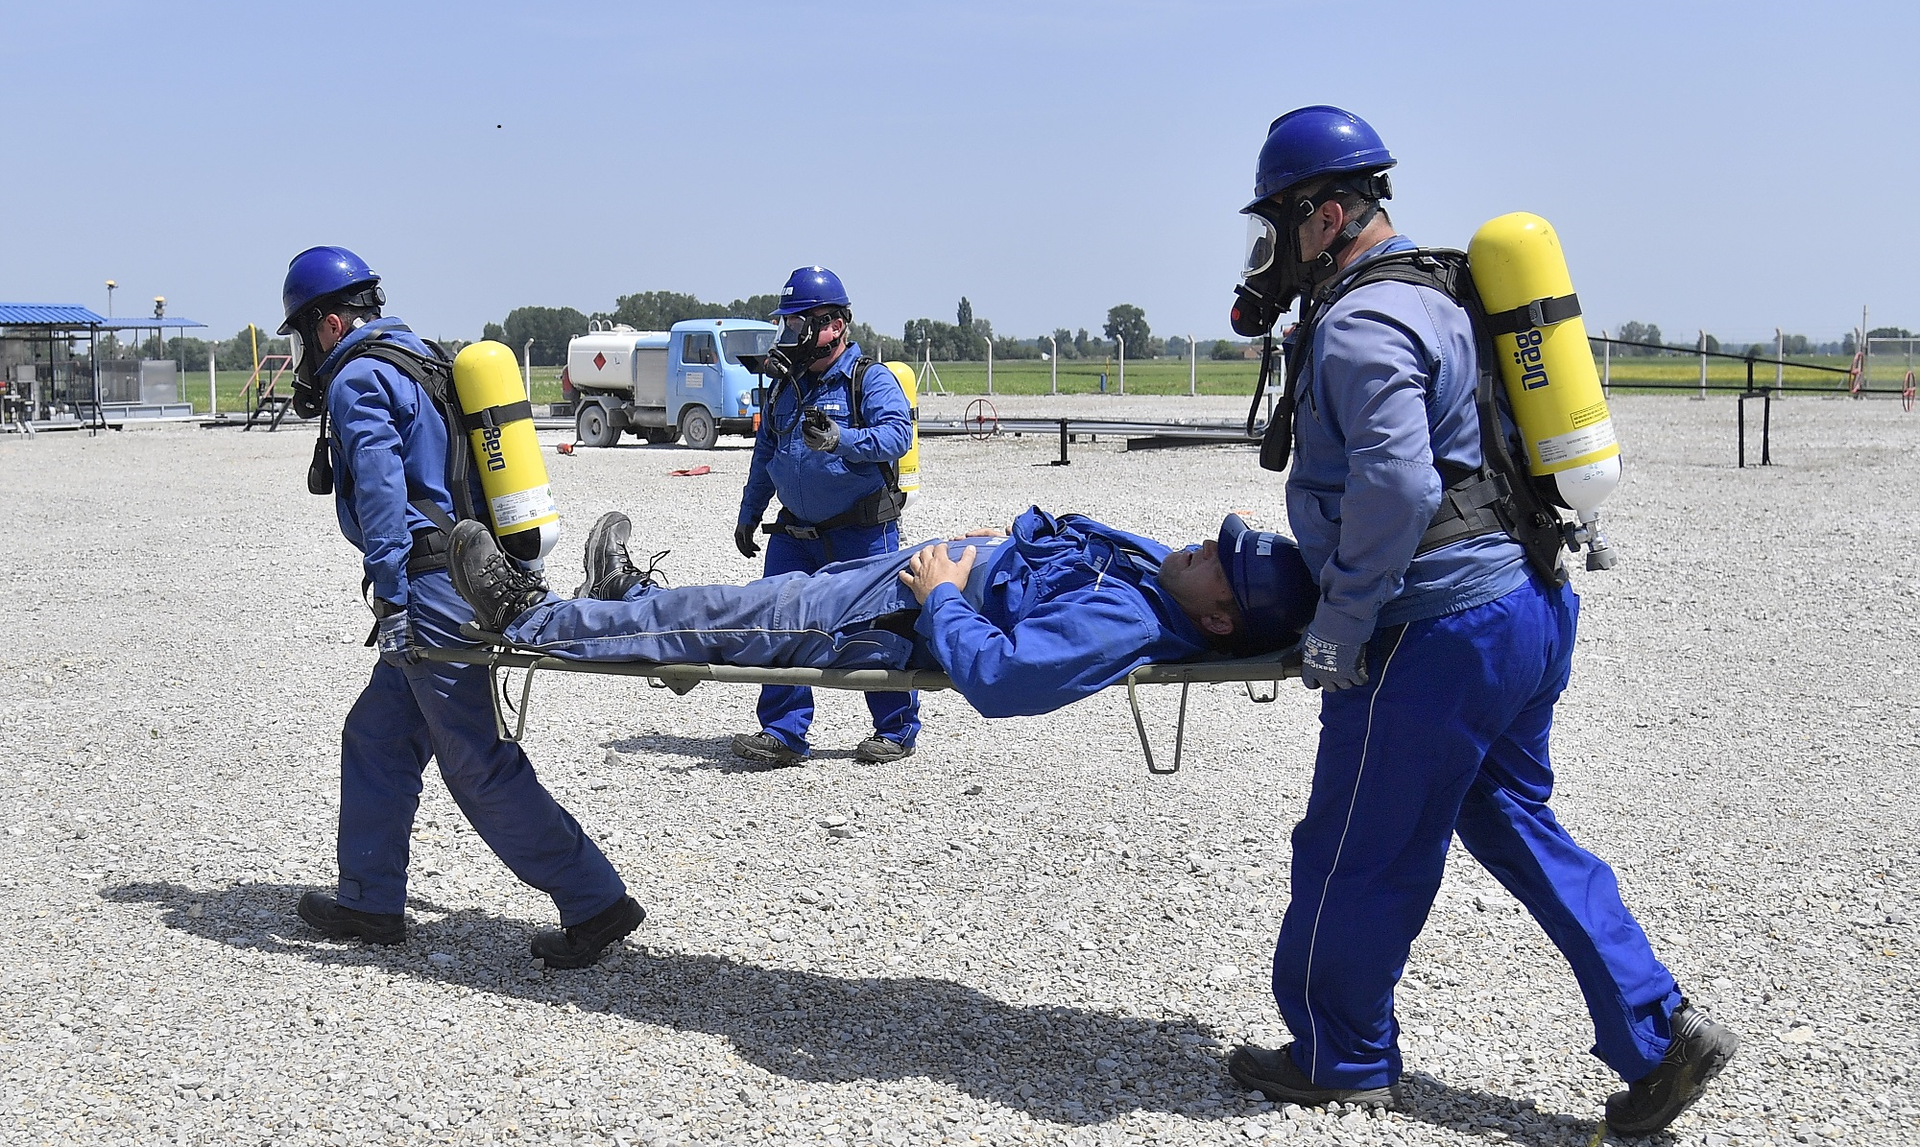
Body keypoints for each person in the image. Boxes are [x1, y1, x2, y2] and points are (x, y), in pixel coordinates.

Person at [1222, 107, 1736, 1134]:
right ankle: (1659, 1028)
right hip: (1527, 607)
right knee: (1511, 818)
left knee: (1355, 848)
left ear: (1326, 215)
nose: (1266, 255)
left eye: (1276, 228)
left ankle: (1339, 1054)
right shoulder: (1449, 294)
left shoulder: (1365, 324)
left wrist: (1342, 620)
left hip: (1435, 633)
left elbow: (1399, 485)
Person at [278, 246, 643, 968]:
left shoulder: (358, 378)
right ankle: (369, 899)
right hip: (465, 571)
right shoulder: (423, 357)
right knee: (377, 735)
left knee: (475, 761)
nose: (302, 353)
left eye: (299, 334)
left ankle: (595, 899)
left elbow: (383, 496)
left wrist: (392, 598)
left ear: (326, 325)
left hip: (427, 586)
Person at [446, 507, 1316, 720]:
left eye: (1221, 565)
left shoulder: (1127, 621)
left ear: (1221, 624)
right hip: (905, 577)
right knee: (732, 608)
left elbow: (1004, 681)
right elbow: (1062, 547)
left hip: (894, 614)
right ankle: (628, 608)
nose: (1207, 547)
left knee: (730, 617)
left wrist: (940, 590)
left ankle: (532, 619)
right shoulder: (1159, 581)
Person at [732, 266, 919, 766]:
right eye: (787, 325)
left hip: (862, 532)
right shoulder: (785, 387)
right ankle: (784, 733)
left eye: (798, 325)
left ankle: (896, 729)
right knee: (779, 622)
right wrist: (750, 513)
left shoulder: (868, 380)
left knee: (876, 628)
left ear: (833, 325)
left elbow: (898, 436)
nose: (790, 335)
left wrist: (844, 440)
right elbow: (766, 453)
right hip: (796, 532)